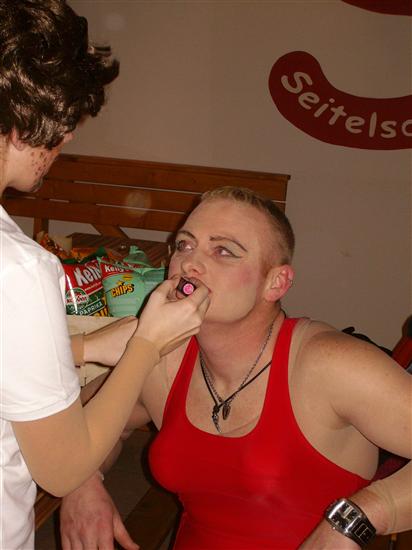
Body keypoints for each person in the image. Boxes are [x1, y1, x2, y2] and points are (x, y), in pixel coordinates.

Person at [60, 185, 412, 549]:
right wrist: (83, 481)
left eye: (223, 251)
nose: (189, 264)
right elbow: (76, 424)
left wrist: (357, 518)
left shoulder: (329, 363)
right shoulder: (162, 359)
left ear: (276, 283)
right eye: (184, 245)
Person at [0, 2, 210, 549]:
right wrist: (146, 345)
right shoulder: (19, 269)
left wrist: (86, 347)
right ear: (22, 122)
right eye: (65, 121)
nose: (67, 139)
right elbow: (63, 469)